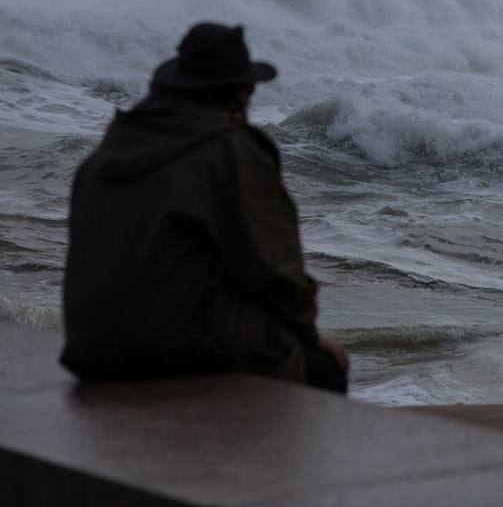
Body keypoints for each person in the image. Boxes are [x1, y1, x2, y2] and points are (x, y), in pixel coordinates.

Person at [61, 22, 349, 393]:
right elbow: (279, 276)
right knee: (325, 369)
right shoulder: (229, 152)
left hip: (90, 349)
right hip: (171, 356)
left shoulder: (108, 151)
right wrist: (308, 340)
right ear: (242, 94)